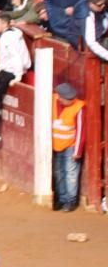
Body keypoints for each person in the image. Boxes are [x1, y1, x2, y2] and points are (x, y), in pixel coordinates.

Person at [0, 12, 29, 145]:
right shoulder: (14, 33)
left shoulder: (6, 38)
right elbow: (9, 59)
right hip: (12, 69)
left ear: (4, 24)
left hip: (12, 72)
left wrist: (18, 76)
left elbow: (15, 58)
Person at [51, 82, 85, 211]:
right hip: (55, 145)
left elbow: (81, 130)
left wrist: (77, 151)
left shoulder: (79, 107)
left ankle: (70, 201)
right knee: (59, 172)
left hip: (71, 146)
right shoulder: (52, 101)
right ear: (59, 97)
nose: (71, 101)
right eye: (67, 99)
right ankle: (61, 198)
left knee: (70, 173)